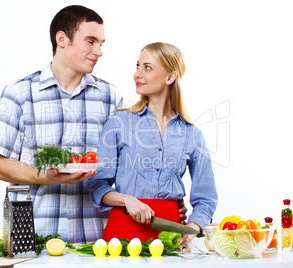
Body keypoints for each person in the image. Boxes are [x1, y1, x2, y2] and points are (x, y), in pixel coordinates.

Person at [0, 5, 187, 244]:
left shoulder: (110, 97)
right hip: (33, 238)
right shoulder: (18, 93)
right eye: (90, 42)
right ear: (62, 39)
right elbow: (0, 167)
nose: (99, 51)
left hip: (97, 240)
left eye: (101, 43)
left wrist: (163, 203)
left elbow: (125, 169)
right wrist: (47, 178)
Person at [88, 42, 217, 246]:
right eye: (137, 66)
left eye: (147, 67)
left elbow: (206, 198)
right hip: (122, 232)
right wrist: (127, 200)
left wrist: (192, 228)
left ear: (170, 77)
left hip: (170, 234)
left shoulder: (193, 135)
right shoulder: (119, 123)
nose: (137, 74)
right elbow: (96, 185)